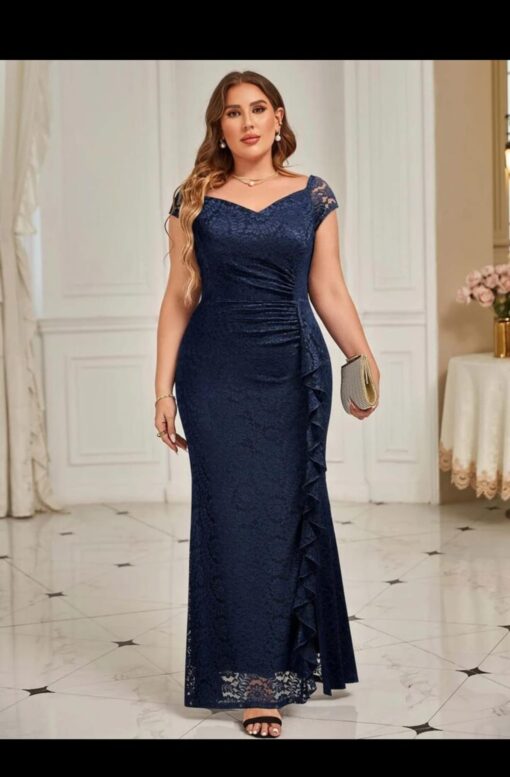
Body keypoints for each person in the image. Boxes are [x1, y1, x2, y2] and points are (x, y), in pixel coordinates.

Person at [155, 70, 380, 739]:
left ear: (278, 118)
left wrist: (361, 358)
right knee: (231, 519)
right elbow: (178, 296)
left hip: (292, 373)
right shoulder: (195, 196)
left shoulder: (313, 194)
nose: (248, 121)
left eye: (259, 109)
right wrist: (162, 388)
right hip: (214, 375)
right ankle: (257, 683)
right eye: (234, 112)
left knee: (286, 516)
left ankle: (291, 661)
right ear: (219, 126)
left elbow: (329, 288)